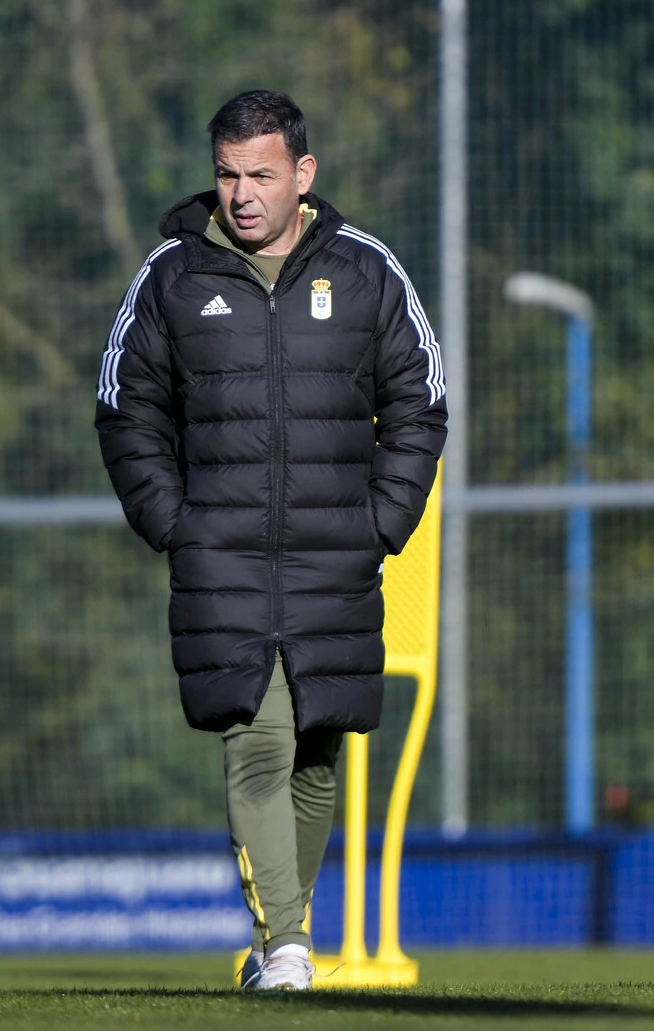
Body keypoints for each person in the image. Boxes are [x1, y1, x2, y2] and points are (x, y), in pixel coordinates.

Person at [96, 91, 446, 990]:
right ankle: (287, 948)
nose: (241, 193)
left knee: (318, 748)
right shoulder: (172, 274)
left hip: (338, 551)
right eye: (226, 174)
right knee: (255, 736)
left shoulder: (367, 271)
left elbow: (423, 400)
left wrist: (383, 520)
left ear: (304, 175)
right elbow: (122, 406)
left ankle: (277, 939)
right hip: (223, 557)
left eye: (260, 174)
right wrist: (174, 522)